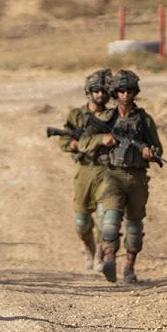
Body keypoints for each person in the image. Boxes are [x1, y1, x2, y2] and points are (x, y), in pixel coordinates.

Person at [77, 69, 163, 283]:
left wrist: (150, 153)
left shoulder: (144, 119)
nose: (125, 95)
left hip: (137, 178)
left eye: (130, 90)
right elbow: (84, 142)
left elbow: (157, 148)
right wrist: (102, 139)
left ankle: (129, 268)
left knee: (134, 226)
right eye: (121, 91)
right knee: (109, 222)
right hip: (112, 175)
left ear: (135, 92)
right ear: (115, 93)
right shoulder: (106, 118)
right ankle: (108, 258)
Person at [56, 69, 111, 271]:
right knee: (81, 221)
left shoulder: (113, 116)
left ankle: (99, 256)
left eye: (104, 90)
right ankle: (89, 248)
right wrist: (74, 144)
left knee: (106, 218)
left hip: (107, 171)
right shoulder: (77, 115)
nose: (100, 94)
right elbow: (63, 140)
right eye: (96, 90)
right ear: (89, 92)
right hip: (84, 171)